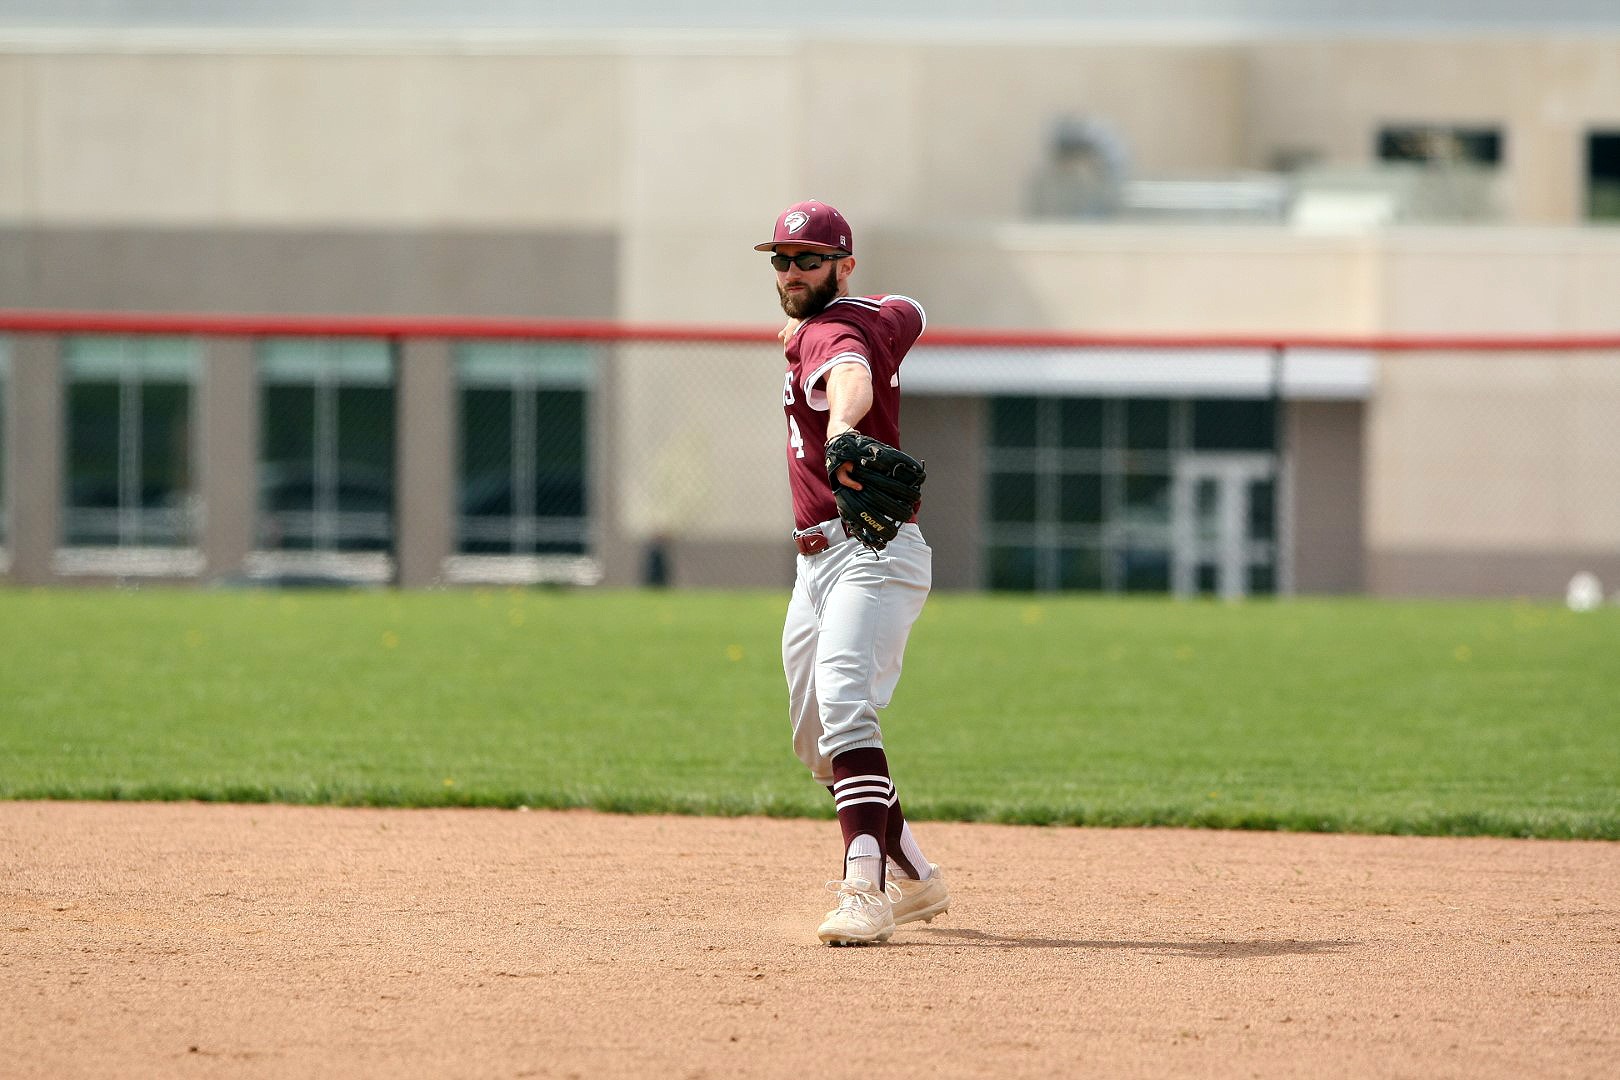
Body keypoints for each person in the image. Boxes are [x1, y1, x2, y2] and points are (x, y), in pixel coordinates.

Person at [755, 200, 950, 946]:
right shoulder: (873, 315)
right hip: (817, 566)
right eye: (782, 259)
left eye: (809, 259)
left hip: (871, 550)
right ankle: (918, 877)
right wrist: (817, 325)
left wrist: (842, 429)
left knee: (844, 703)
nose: (793, 271)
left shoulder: (834, 334)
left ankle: (862, 888)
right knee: (817, 747)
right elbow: (914, 310)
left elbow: (850, 376)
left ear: (843, 263)